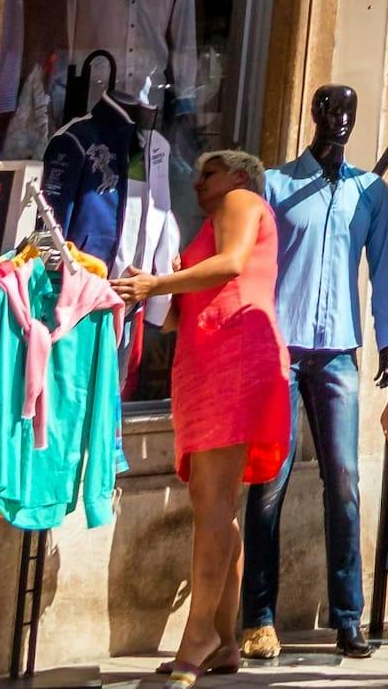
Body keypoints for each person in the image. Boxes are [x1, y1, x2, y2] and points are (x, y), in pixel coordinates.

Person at [125, 146, 291, 679]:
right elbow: (184, 311)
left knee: (214, 503)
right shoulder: (216, 219)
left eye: (209, 172)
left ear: (242, 175)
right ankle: (222, 638)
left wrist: (157, 283)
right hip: (216, 358)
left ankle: (198, 638)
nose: (198, 183)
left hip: (234, 357)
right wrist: (163, 287)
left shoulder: (241, 199)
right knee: (216, 505)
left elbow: (233, 265)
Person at [247, 89, 388, 661]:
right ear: (313, 115)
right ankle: (257, 616)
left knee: (344, 480)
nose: (341, 121)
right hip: (280, 348)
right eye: (332, 111)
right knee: (269, 479)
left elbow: (383, 270)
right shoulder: (277, 186)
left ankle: (348, 617)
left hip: (338, 350)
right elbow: (255, 262)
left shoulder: (370, 192)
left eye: (350, 113)